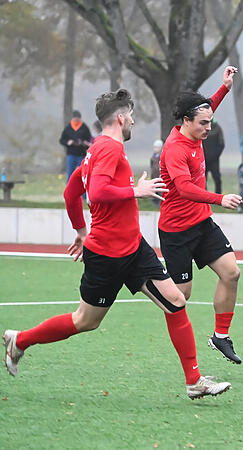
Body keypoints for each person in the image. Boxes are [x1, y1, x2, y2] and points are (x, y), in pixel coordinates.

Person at [3, 89, 230, 399]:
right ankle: (21, 340)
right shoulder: (108, 149)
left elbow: (71, 194)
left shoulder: (96, 148)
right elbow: (96, 193)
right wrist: (135, 192)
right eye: (132, 117)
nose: (133, 122)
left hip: (133, 248)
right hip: (107, 255)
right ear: (121, 118)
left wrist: (81, 232)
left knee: (175, 301)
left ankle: (194, 381)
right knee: (85, 321)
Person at [158, 66, 243, 364]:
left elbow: (207, 108)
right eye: (204, 124)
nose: (209, 128)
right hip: (176, 231)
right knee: (180, 296)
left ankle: (220, 337)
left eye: (210, 122)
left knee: (232, 272)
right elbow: (182, 188)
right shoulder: (175, 149)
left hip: (202, 223)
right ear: (186, 122)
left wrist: (225, 88)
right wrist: (220, 198)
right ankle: (147, 279)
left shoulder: (196, 126)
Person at [59, 110, 93, 179]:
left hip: (81, 155)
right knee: (70, 175)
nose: (77, 121)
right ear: (72, 118)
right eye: (75, 119)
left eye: (78, 119)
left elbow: (90, 140)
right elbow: (62, 140)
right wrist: (68, 142)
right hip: (71, 155)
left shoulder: (85, 127)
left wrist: (84, 143)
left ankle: (81, 189)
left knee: (82, 174)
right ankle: (69, 189)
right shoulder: (68, 128)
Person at [204, 119, 225, 195]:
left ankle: (218, 195)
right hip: (203, 159)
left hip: (214, 159)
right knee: (202, 179)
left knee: (217, 178)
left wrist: (215, 155)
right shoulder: (201, 128)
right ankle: (204, 196)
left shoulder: (217, 128)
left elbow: (221, 144)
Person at [149, 139, 164, 206]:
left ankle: (160, 201)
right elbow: (151, 165)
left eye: (157, 147)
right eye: (154, 147)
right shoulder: (153, 157)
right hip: (154, 175)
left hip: (159, 176)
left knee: (160, 188)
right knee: (154, 188)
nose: (155, 149)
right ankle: (155, 201)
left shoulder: (161, 156)